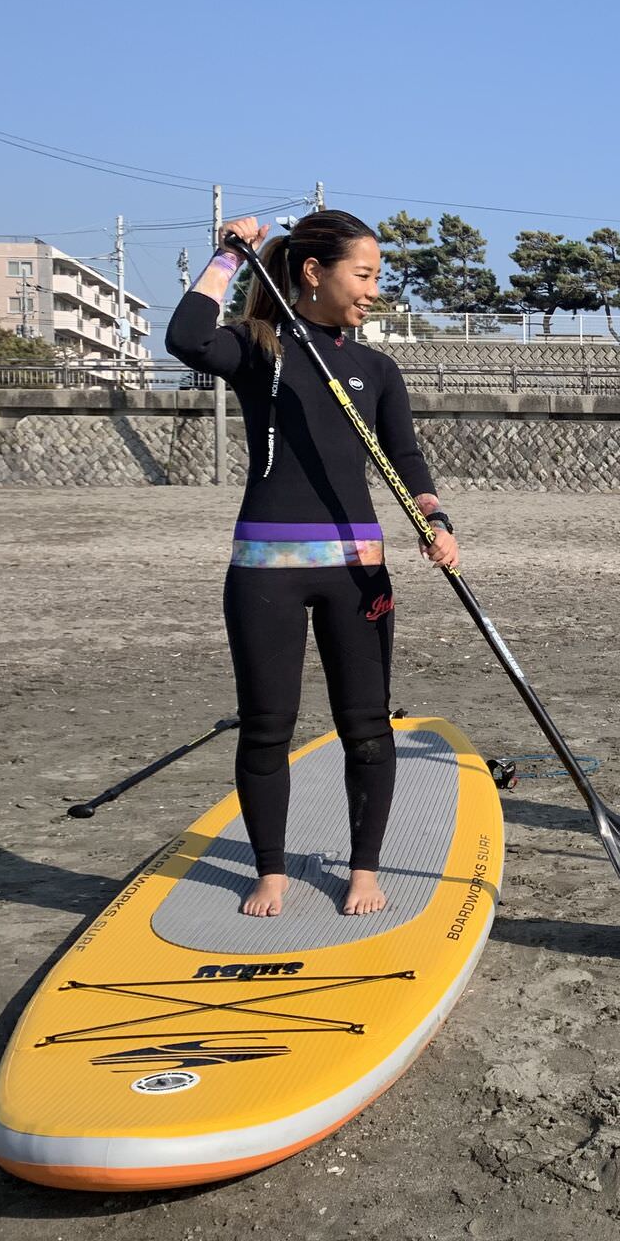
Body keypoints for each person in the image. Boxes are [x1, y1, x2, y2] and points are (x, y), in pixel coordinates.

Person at [167, 211, 458, 917]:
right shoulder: (257, 347)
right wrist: (225, 258)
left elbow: (405, 457)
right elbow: (186, 339)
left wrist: (435, 517)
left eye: (376, 278)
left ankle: (363, 868)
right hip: (266, 568)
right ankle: (270, 869)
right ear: (312, 273)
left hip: (356, 568)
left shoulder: (374, 368)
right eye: (363, 275)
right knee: (268, 724)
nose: (372, 291)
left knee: (366, 725)